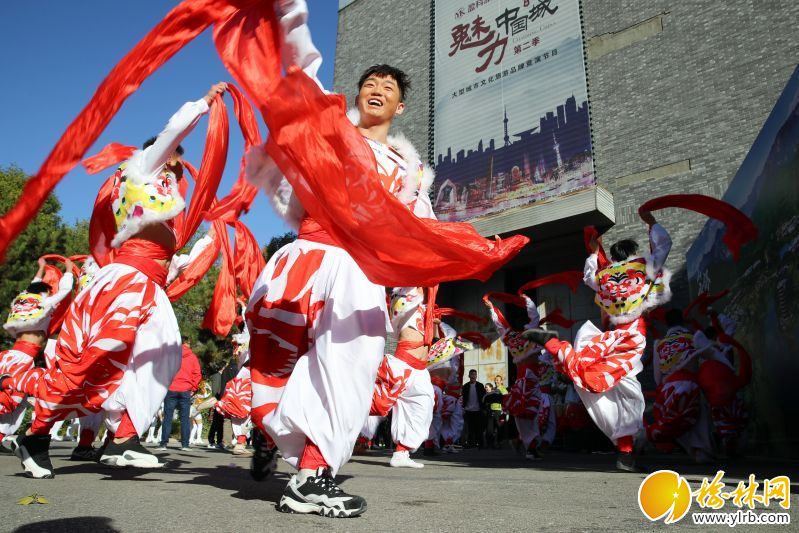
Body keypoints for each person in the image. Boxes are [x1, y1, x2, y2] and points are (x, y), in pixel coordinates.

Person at [1, 83, 227, 478]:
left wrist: (215, 236)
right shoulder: (142, 168)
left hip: (147, 286)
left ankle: (122, 437)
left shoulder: (165, 209)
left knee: (161, 353)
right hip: (125, 281)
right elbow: (173, 130)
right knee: (95, 362)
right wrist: (203, 105)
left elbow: (176, 262)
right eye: (173, 157)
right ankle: (38, 434)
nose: (177, 165)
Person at [526, 211, 672, 472]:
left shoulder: (604, 275)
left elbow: (588, 277)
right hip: (631, 337)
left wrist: (594, 253)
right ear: (631, 252)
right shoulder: (642, 267)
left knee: (616, 386)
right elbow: (664, 246)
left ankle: (626, 451)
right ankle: (555, 347)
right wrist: (652, 224)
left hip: (608, 337)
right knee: (616, 390)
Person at [0, 260, 74, 456]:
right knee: (12, 398)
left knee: (15, 399)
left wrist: (41, 268)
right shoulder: (44, 303)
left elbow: (31, 285)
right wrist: (68, 269)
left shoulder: (20, 301)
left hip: (8, 355)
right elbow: (66, 289)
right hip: (23, 357)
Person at [158, 337, 202, 451]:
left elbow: (163, 371)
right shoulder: (192, 357)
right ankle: (185, 445)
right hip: (185, 390)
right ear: (186, 343)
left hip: (171, 388)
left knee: (167, 417)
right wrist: (193, 387)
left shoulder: (171, 355)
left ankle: (163, 444)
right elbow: (197, 374)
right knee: (185, 418)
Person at [461, 369, 486, 449]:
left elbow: (483, 397)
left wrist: (484, 408)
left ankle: (480, 443)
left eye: (474, 374)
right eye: (471, 374)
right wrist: (463, 408)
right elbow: (463, 398)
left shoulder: (480, 385)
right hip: (468, 410)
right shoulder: (465, 386)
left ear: (476, 376)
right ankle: (472, 443)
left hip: (478, 410)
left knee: (479, 428)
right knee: (470, 428)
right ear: (469, 376)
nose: (473, 376)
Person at [483, 383, 503, 449]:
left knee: (498, 428)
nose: (486, 388)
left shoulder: (496, 393)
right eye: (485, 387)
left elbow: (502, 401)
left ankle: (497, 443)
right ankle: (491, 444)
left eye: (487, 387)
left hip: (497, 412)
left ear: (491, 388)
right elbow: (483, 404)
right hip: (490, 413)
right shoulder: (486, 395)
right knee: (490, 429)